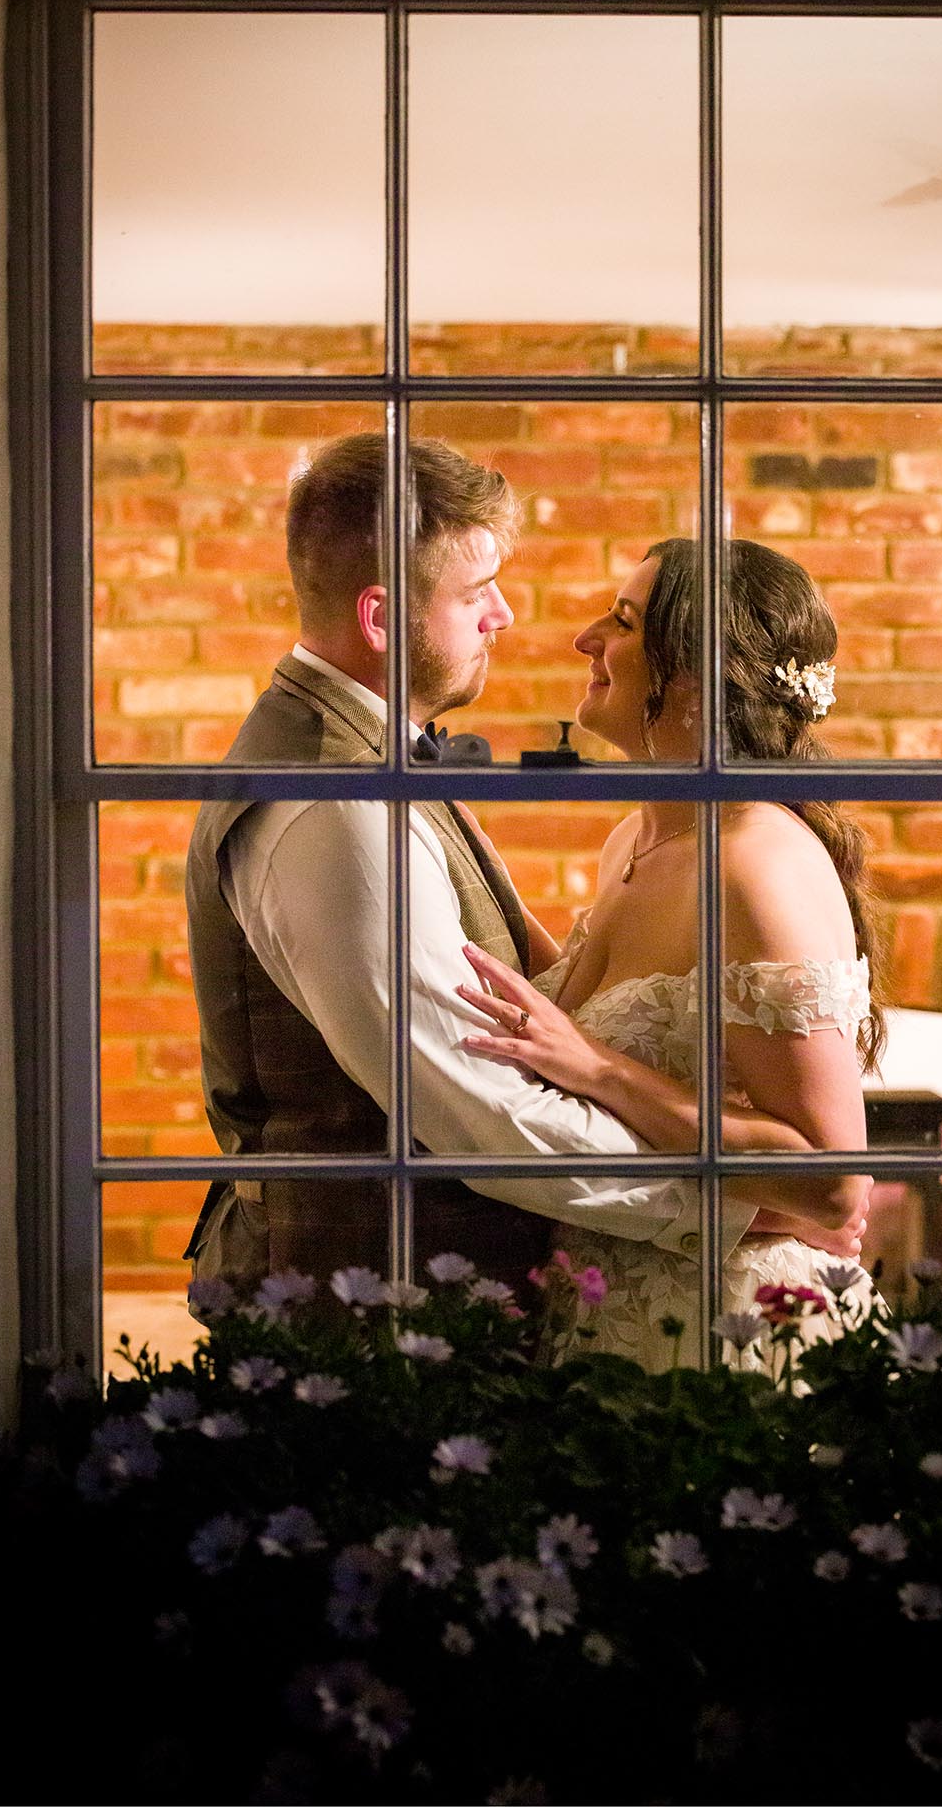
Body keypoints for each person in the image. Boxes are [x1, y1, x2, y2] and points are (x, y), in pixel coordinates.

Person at [185, 435, 821, 1307]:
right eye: (478, 591)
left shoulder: (378, 762)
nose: (506, 616)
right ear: (381, 620)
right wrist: (736, 1206)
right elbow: (471, 1103)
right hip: (372, 1310)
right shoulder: (335, 804)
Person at [456, 536, 882, 1370]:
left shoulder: (755, 868)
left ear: (691, 675)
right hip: (606, 1319)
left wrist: (603, 1070)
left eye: (620, 623)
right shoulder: (637, 838)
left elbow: (831, 1185)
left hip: (730, 1334)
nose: (586, 639)